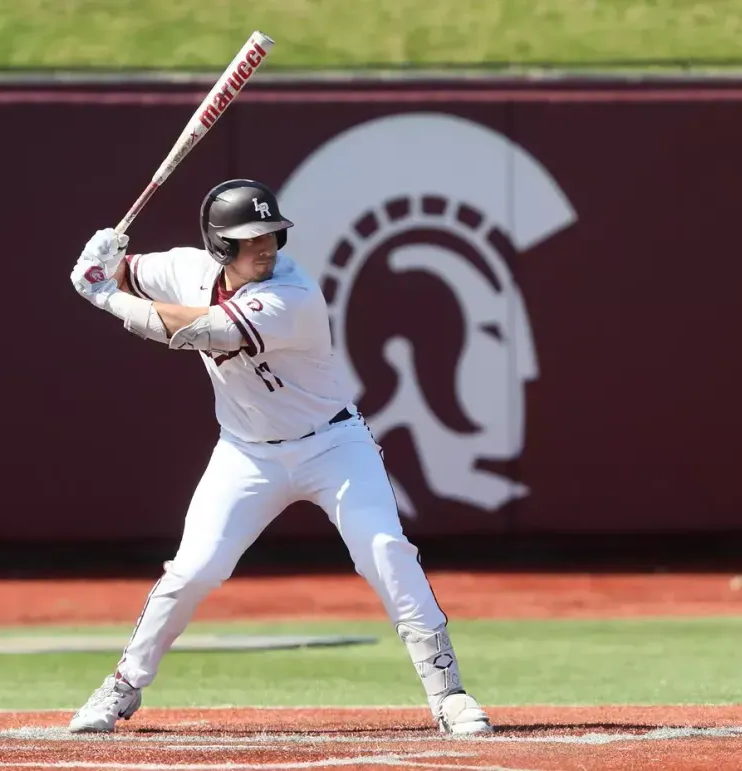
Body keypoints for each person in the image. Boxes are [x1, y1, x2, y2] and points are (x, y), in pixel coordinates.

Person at [66, 179, 493, 736]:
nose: (266, 246)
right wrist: (104, 261)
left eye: (272, 233)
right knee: (194, 569)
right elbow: (127, 272)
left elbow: (198, 330)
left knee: (386, 551)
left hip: (333, 445)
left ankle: (449, 693)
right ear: (219, 246)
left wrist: (104, 297)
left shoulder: (294, 296)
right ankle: (121, 686)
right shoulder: (185, 269)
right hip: (245, 454)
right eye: (250, 238)